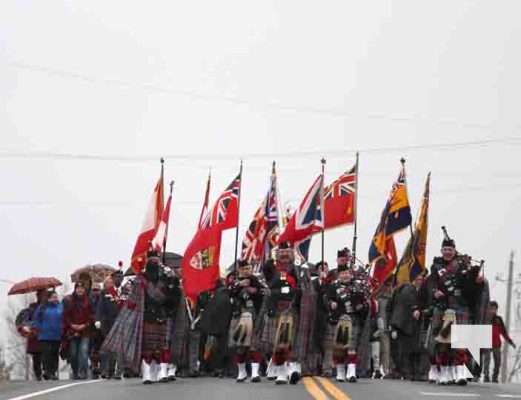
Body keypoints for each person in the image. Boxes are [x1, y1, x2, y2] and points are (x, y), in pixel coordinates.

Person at [102, 255, 178, 384]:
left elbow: (171, 299)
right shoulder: (139, 281)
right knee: (147, 348)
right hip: (145, 316)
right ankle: (147, 374)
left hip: (161, 316)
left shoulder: (164, 281)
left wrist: (171, 285)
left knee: (161, 347)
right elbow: (132, 300)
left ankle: (161, 373)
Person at [428, 233, 484, 385]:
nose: (447, 252)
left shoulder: (463, 264)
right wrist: (435, 292)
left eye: (450, 249)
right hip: (443, 307)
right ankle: (443, 371)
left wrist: (479, 280)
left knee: (460, 341)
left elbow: (472, 282)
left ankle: (459, 372)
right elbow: (431, 283)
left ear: (454, 251)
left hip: (460, 306)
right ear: (441, 251)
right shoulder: (436, 267)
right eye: (445, 249)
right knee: (443, 341)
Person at [257, 242, 301, 384]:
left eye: (287, 252)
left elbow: (302, 289)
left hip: (292, 308)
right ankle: (282, 371)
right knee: (279, 342)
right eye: (282, 252)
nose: (285, 255)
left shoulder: (297, 269)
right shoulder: (271, 268)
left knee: (288, 342)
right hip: (275, 308)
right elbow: (268, 284)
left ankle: (288, 369)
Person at [326, 261, 370, 382]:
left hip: (354, 319)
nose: (345, 275)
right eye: (342, 273)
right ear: (339, 275)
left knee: (352, 346)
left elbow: (365, 302)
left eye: (347, 273)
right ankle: (340, 372)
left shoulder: (358, 286)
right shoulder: (334, 287)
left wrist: (361, 307)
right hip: (339, 320)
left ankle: (351, 373)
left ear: (350, 274)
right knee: (340, 348)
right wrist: (331, 304)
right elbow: (327, 300)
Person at [228, 259, 265, 382]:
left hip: (255, 315)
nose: (246, 271)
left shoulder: (257, 280)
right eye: (243, 269)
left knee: (254, 345)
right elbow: (230, 294)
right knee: (241, 346)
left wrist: (256, 291)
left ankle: (255, 373)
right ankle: (242, 372)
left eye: (248, 268)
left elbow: (265, 292)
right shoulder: (235, 282)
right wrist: (239, 285)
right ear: (239, 270)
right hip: (240, 315)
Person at [63, 282, 96, 380]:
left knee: (84, 351)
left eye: (82, 288)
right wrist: (72, 325)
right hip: (72, 331)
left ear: (84, 290)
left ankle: (83, 372)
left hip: (86, 330)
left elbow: (92, 315)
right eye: (78, 288)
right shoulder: (69, 300)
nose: (80, 290)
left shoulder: (89, 300)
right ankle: (75, 371)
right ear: (75, 289)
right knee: (73, 353)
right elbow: (65, 315)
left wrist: (85, 325)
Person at [96, 274, 123, 379]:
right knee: (106, 348)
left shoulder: (118, 293)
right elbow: (100, 307)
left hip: (117, 323)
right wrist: (97, 319)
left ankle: (112, 370)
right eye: (108, 283)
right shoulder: (104, 293)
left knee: (115, 348)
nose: (110, 284)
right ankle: (104, 369)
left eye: (111, 282)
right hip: (106, 323)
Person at [17, 290, 47, 380]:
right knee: (37, 356)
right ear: (37, 296)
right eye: (40, 295)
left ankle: (47, 372)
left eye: (44, 295)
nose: (42, 297)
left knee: (47, 354)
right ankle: (38, 374)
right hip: (35, 335)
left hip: (47, 334)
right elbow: (25, 320)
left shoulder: (49, 306)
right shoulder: (32, 307)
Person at [482, 301, 516, 383]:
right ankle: (486, 376)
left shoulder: (499, 320)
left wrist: (510, 342)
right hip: (487, 343)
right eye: (491, 309)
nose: (493, 310)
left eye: (495, 309)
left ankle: (495, 377)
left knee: (497, 361)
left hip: (496, 344)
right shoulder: (485, 319)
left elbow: (504, 332)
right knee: (487, 360)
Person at [32, 291, 63, 380]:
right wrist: (39, 327)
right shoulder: (42, 307)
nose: (55, 299)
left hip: (57, 335)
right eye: (53, 297)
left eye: (56, 297)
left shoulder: (60, 307)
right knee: (46, 353)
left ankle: (53, 372)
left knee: (54, 353)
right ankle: (46, 371)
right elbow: (36, 319)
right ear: (48, 298)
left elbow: (64, 318)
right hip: (44, 335)